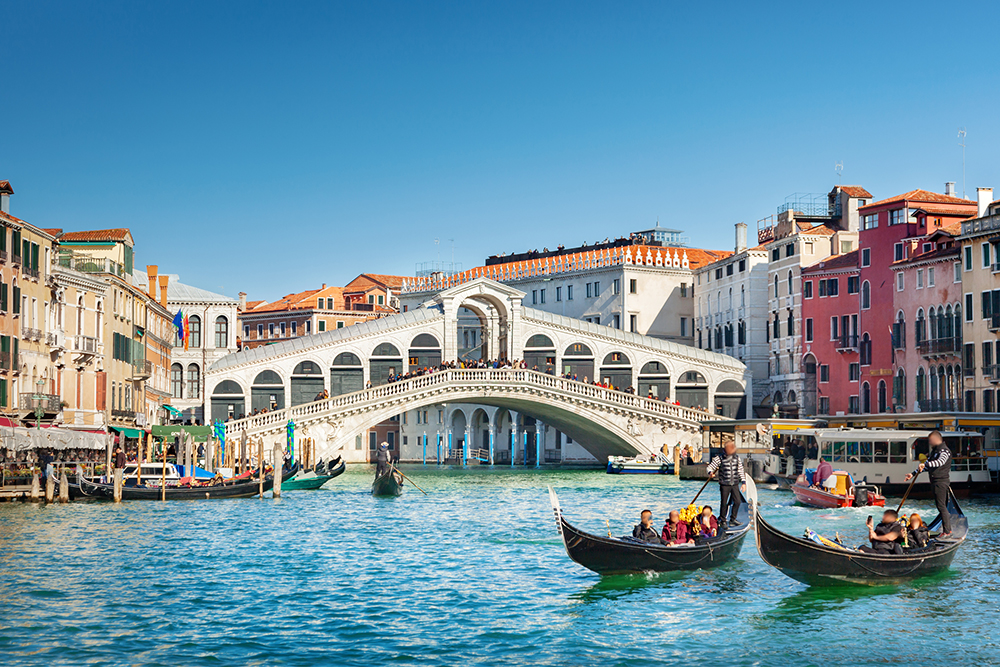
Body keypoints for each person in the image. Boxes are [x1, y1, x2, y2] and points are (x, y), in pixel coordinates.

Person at [904, 431, 953, 537]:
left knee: (941, 506)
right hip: (935, 481)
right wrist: (912, 474)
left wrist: (926, 463)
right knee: (941, 506)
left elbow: (940, 462)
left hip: (941, 481)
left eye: (931, 441)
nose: (930, 443)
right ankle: (946, 528)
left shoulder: (944, 451)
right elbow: (926, 466)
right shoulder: (935, 451)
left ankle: (947, 531)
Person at [706, 441, 746, 527]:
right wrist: (710, 473)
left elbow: (740, 470)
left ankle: (733, 519)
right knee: (724, 503)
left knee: (737, 501)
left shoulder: (737, 458)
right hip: (724, 484)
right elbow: (710, 467)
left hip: (735, 483)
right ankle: (723, 520)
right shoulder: (719, 458)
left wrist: (744, 482)